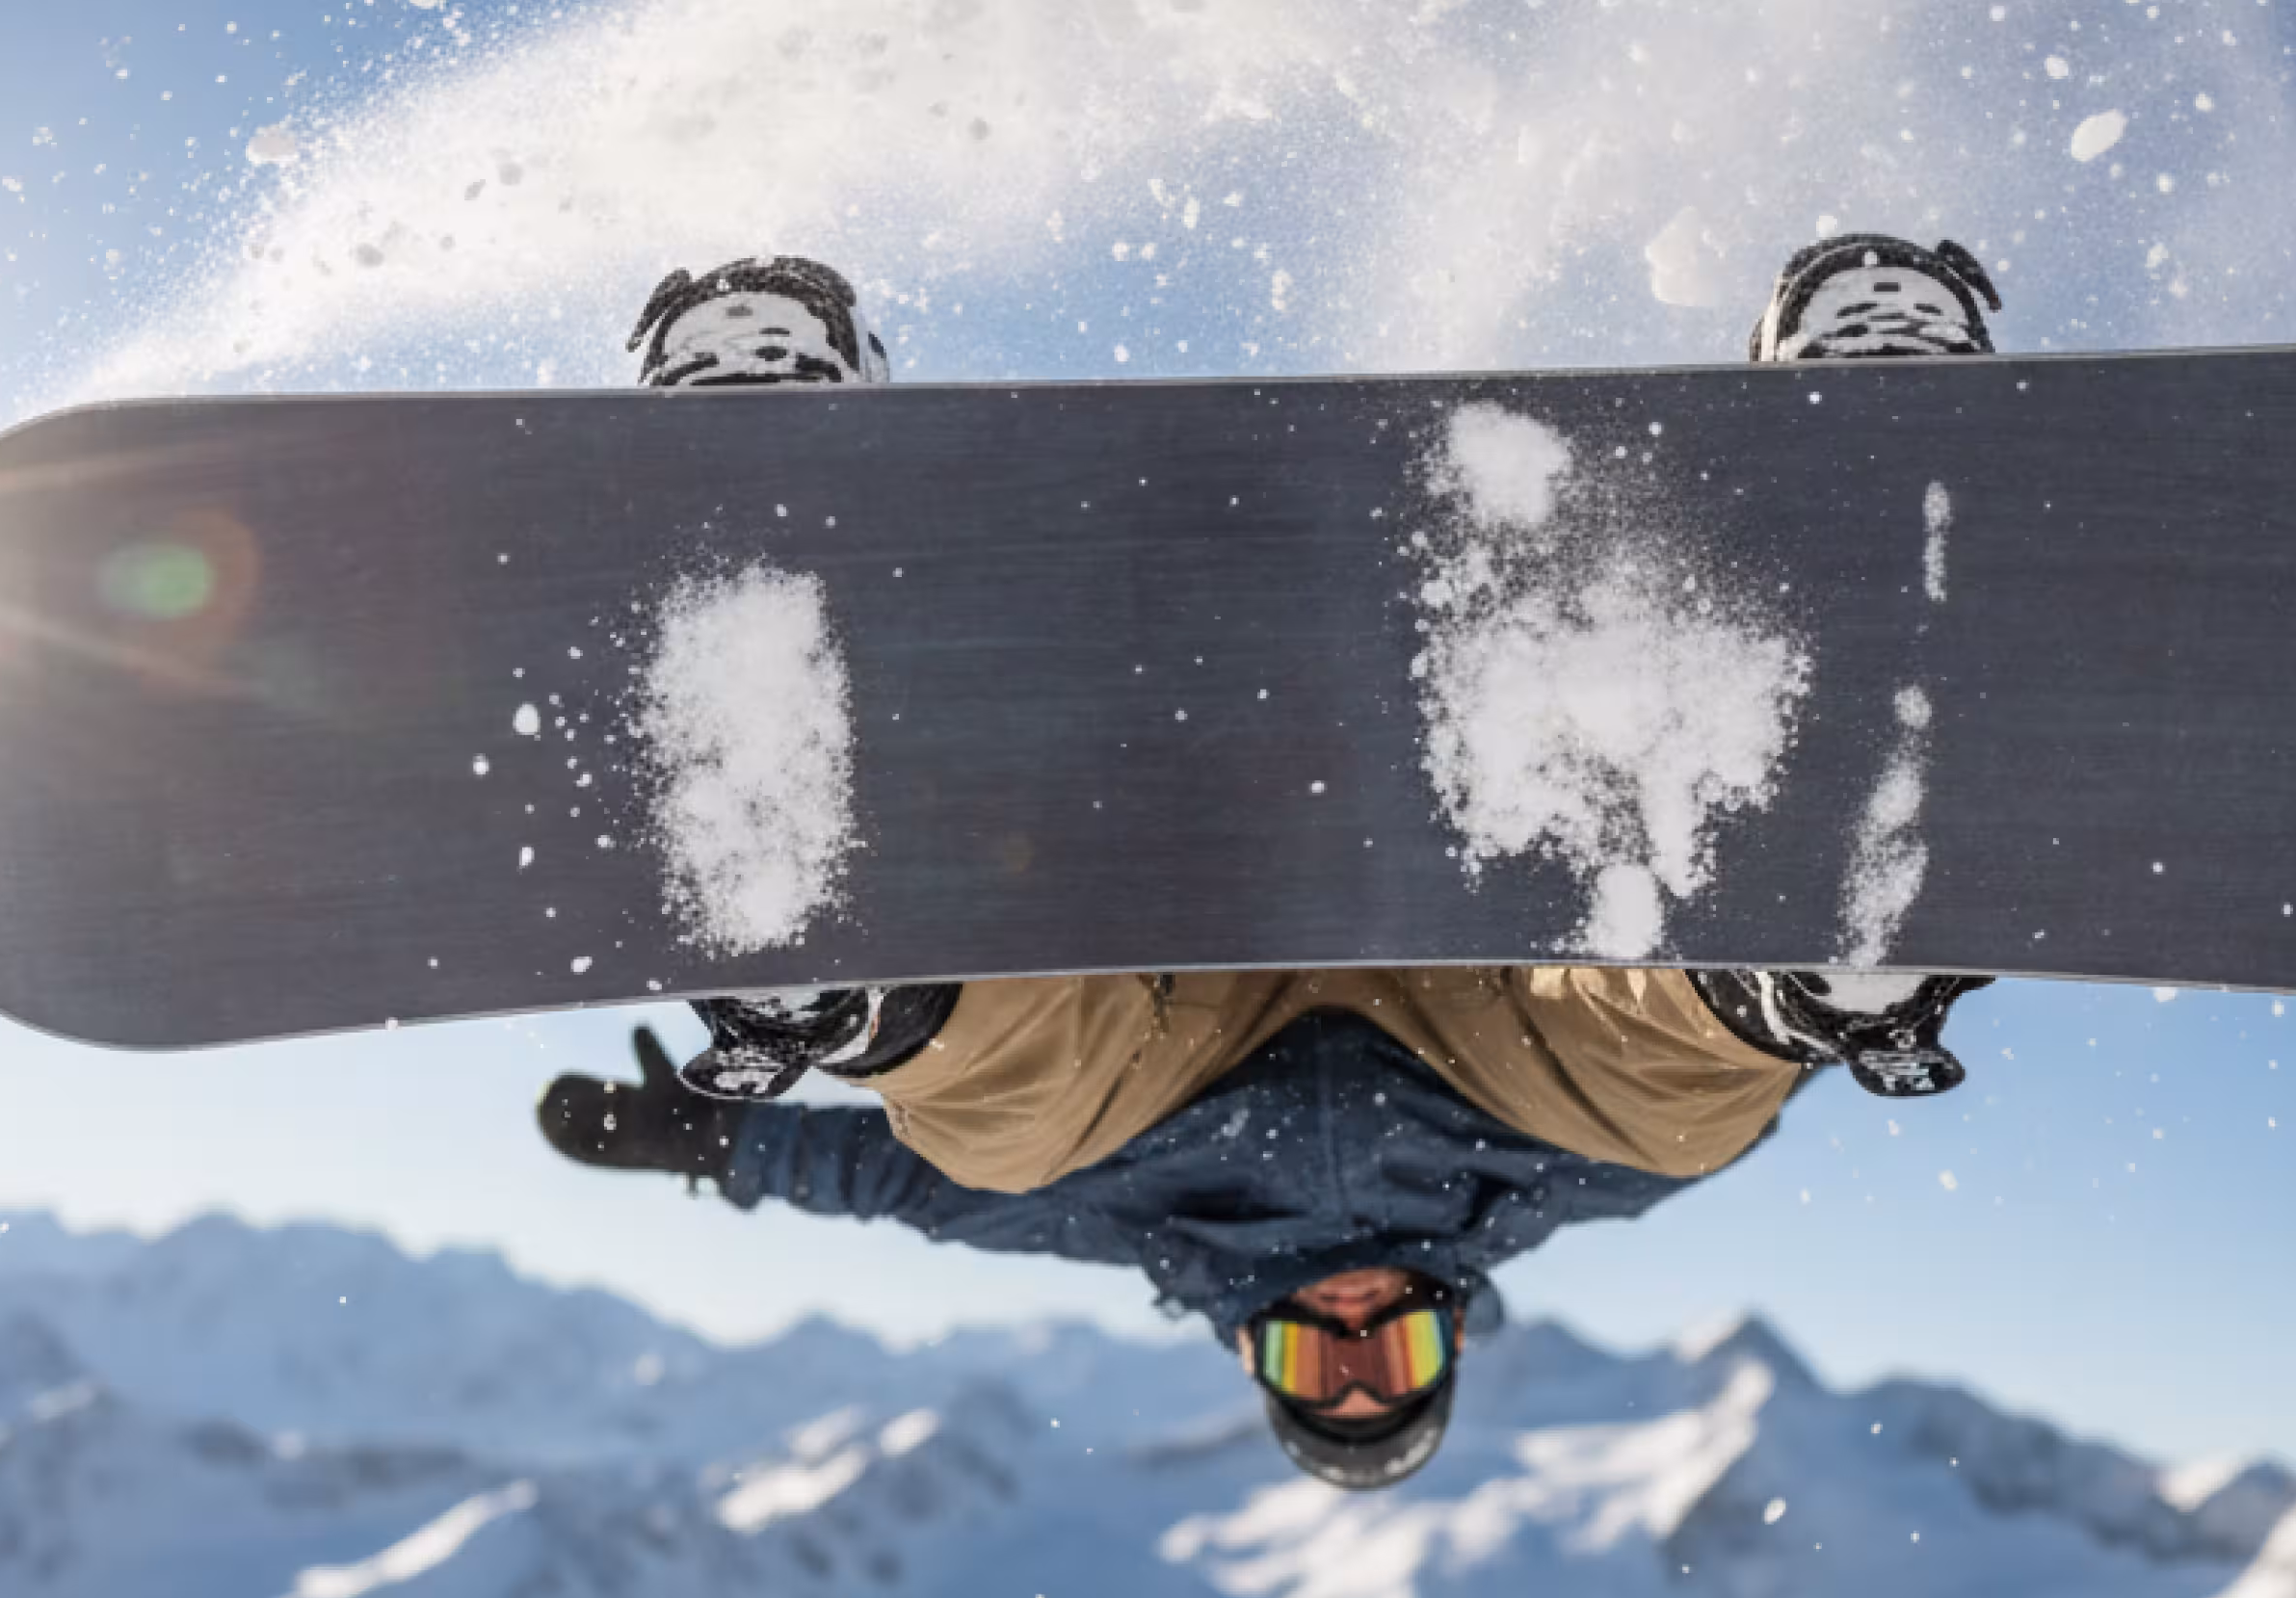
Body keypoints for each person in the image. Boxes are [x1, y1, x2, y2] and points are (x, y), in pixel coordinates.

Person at [548, 237, 2007, 1491]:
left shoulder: (1129, 1227)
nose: (1357, 1331)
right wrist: (1782, 1047)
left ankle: (831, 931)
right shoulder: (1541, 1199)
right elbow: (1728, 1112)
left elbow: (885, 1187)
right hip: (1464, 981)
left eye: (1326, 1366)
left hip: (1178, 987)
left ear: (1257, 1353)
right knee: (1681, 1127)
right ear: (1454, 1333)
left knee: (991, 1141)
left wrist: (713, 1145)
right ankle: (1809, 927)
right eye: (1396, 1357)